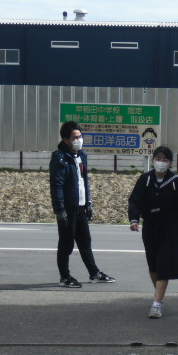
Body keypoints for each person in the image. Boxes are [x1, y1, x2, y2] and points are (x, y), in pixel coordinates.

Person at [128, 146, 178, 318]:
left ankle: (156, 304)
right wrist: (134, 219)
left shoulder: (176, 182)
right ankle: (159, 296)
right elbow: (135, 201)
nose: (161, 162)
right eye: (158, 158)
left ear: (170, 163)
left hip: (170, 228)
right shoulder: (145, 179)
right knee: (153, 265)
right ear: (153, 160)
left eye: (165, 159)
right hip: (150, 227)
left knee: (164, 265)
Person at [49, 121, 116, 288]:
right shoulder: (60, 158)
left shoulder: (82, 156)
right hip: (68, 208)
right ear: (66, 140)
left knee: (85, 241)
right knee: (66, 243)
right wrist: (60, 209)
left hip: (81, 206)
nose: (79, 140)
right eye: (75, 137)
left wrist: (88, 202)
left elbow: (84, 181)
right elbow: (56, 186)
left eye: (80, 136)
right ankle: (65, 277)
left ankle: (94, 273)